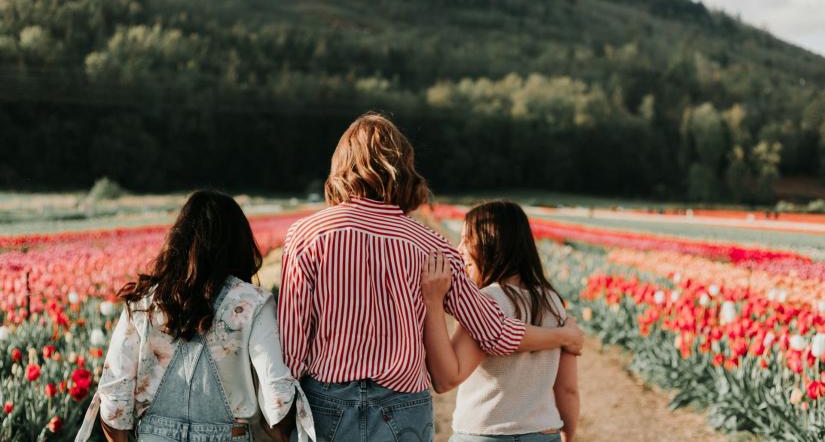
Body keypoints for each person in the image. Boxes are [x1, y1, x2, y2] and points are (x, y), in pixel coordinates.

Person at [278, 113, 584, 442]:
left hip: (327, 402)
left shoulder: (307, 235)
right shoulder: (430, 245)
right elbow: (494, 332)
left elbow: (292, 342)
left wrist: (280, 415)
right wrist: (561, 337)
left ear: (341, 167)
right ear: (403, 168)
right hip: (402, 404)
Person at [76, 190, 315, 442]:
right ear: (239, 242)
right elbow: (278, 396)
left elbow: (114, 399)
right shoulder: (252, 302)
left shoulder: (143, 302)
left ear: (179, 240)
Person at [421, 201, 579, 442]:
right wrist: (568, 434)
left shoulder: (485, 301)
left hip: (485, 433)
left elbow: (445, 378)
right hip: (544, 434)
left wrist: (433, 303)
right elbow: (567, 389)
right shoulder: (554, 302)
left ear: (490, 243)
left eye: (467, 240)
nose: (459, 249)